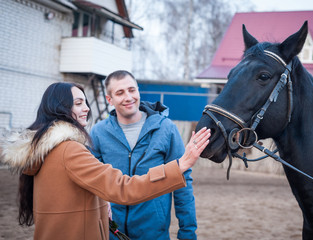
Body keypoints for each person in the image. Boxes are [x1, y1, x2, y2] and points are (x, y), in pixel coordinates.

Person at [0, 82, 210, 240]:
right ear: (60, 107)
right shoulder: (70, 150)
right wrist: (180, 165)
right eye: (79, 103)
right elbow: (123, 188)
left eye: (86, 102)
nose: (87, 109)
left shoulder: (44, 149)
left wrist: (101, 201)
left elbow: (75, 195)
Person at [90, 70, 198, 240]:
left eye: (132, 90)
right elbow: (93, 184)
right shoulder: (98, 133)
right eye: (120, 92)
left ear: (138, 91)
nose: (128, 97)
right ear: (109, 99)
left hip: (154, 233)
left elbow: (182, 183)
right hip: (111, 233)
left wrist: (188, 233)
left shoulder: (166, 129)